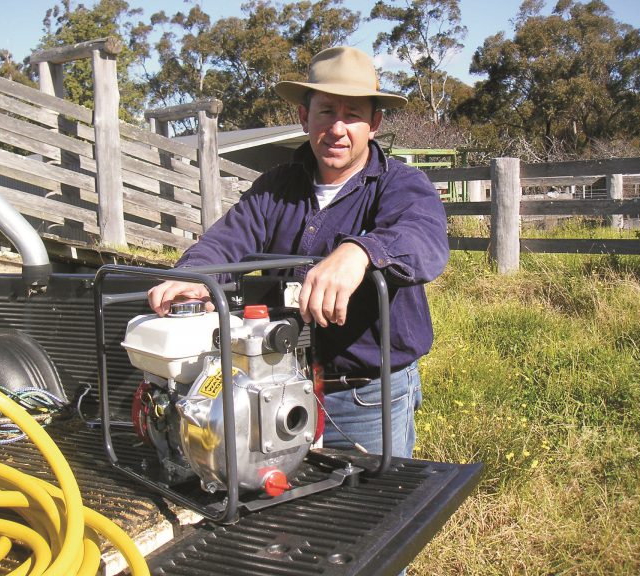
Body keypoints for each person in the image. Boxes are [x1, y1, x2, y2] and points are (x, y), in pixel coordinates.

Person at [148, 46, 449, 459]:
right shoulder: (276, 186)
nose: (338, 128)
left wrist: (360, 251)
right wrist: (192, 277)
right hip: (275, 386)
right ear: (303, 117)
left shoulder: (401, 184)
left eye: (354, 114)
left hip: (366, 395)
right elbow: (225, 241)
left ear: (374, 124)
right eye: (326, 111)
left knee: (374, 511)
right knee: (283, 504)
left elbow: (423, 240)